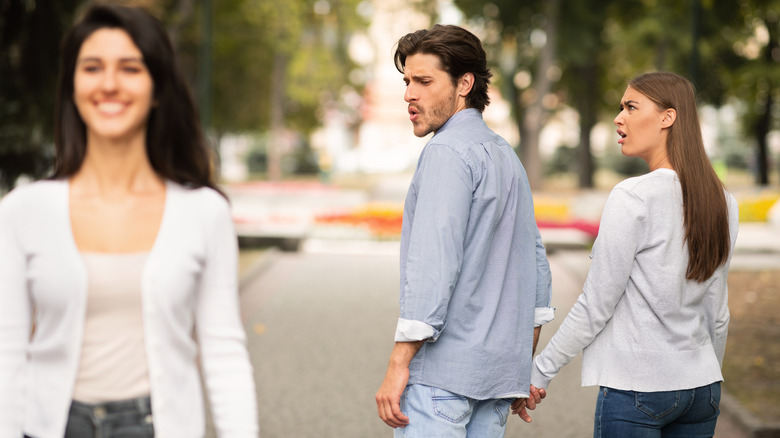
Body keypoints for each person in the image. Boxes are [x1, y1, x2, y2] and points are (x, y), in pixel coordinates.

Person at [0, 3, 259, 437]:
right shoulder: (23, 211)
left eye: (130, 68)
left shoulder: (204, 212)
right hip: (49, 425)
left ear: (158, 88)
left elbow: (223, 353)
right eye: (92, 67)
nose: (109, 84)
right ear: (72, 87)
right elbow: (6, 351)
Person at [522, 72, 739, 437]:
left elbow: (596, 305)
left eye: (630, 107)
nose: (618, 117)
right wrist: (705, 375)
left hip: (639, 389)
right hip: (703, 390)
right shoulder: (723, 201)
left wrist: (538, 371)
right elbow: (717, 312)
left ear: (667, 117)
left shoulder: (634, 196)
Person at [374, 24, 554, 437]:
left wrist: (397, 366)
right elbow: (537, 275)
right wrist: (518, 366)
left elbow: (433, 270)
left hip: (442, 381)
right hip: (496, 383)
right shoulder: (505, 156)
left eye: (424, 81)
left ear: (464, 84)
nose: (409, 95)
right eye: (406, 82)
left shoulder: (445, 153)